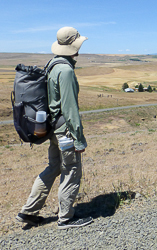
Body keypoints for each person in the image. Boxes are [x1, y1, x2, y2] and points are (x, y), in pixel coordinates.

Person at [16, 27, 93, 229]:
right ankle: (66, 218)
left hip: (53, 128)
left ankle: (28, 211)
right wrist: (79, 138)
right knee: (71, 170)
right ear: (73, 46)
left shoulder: (53, 64)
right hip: (65, 130)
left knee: (54, 168)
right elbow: (70, 108)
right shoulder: (65, 70)